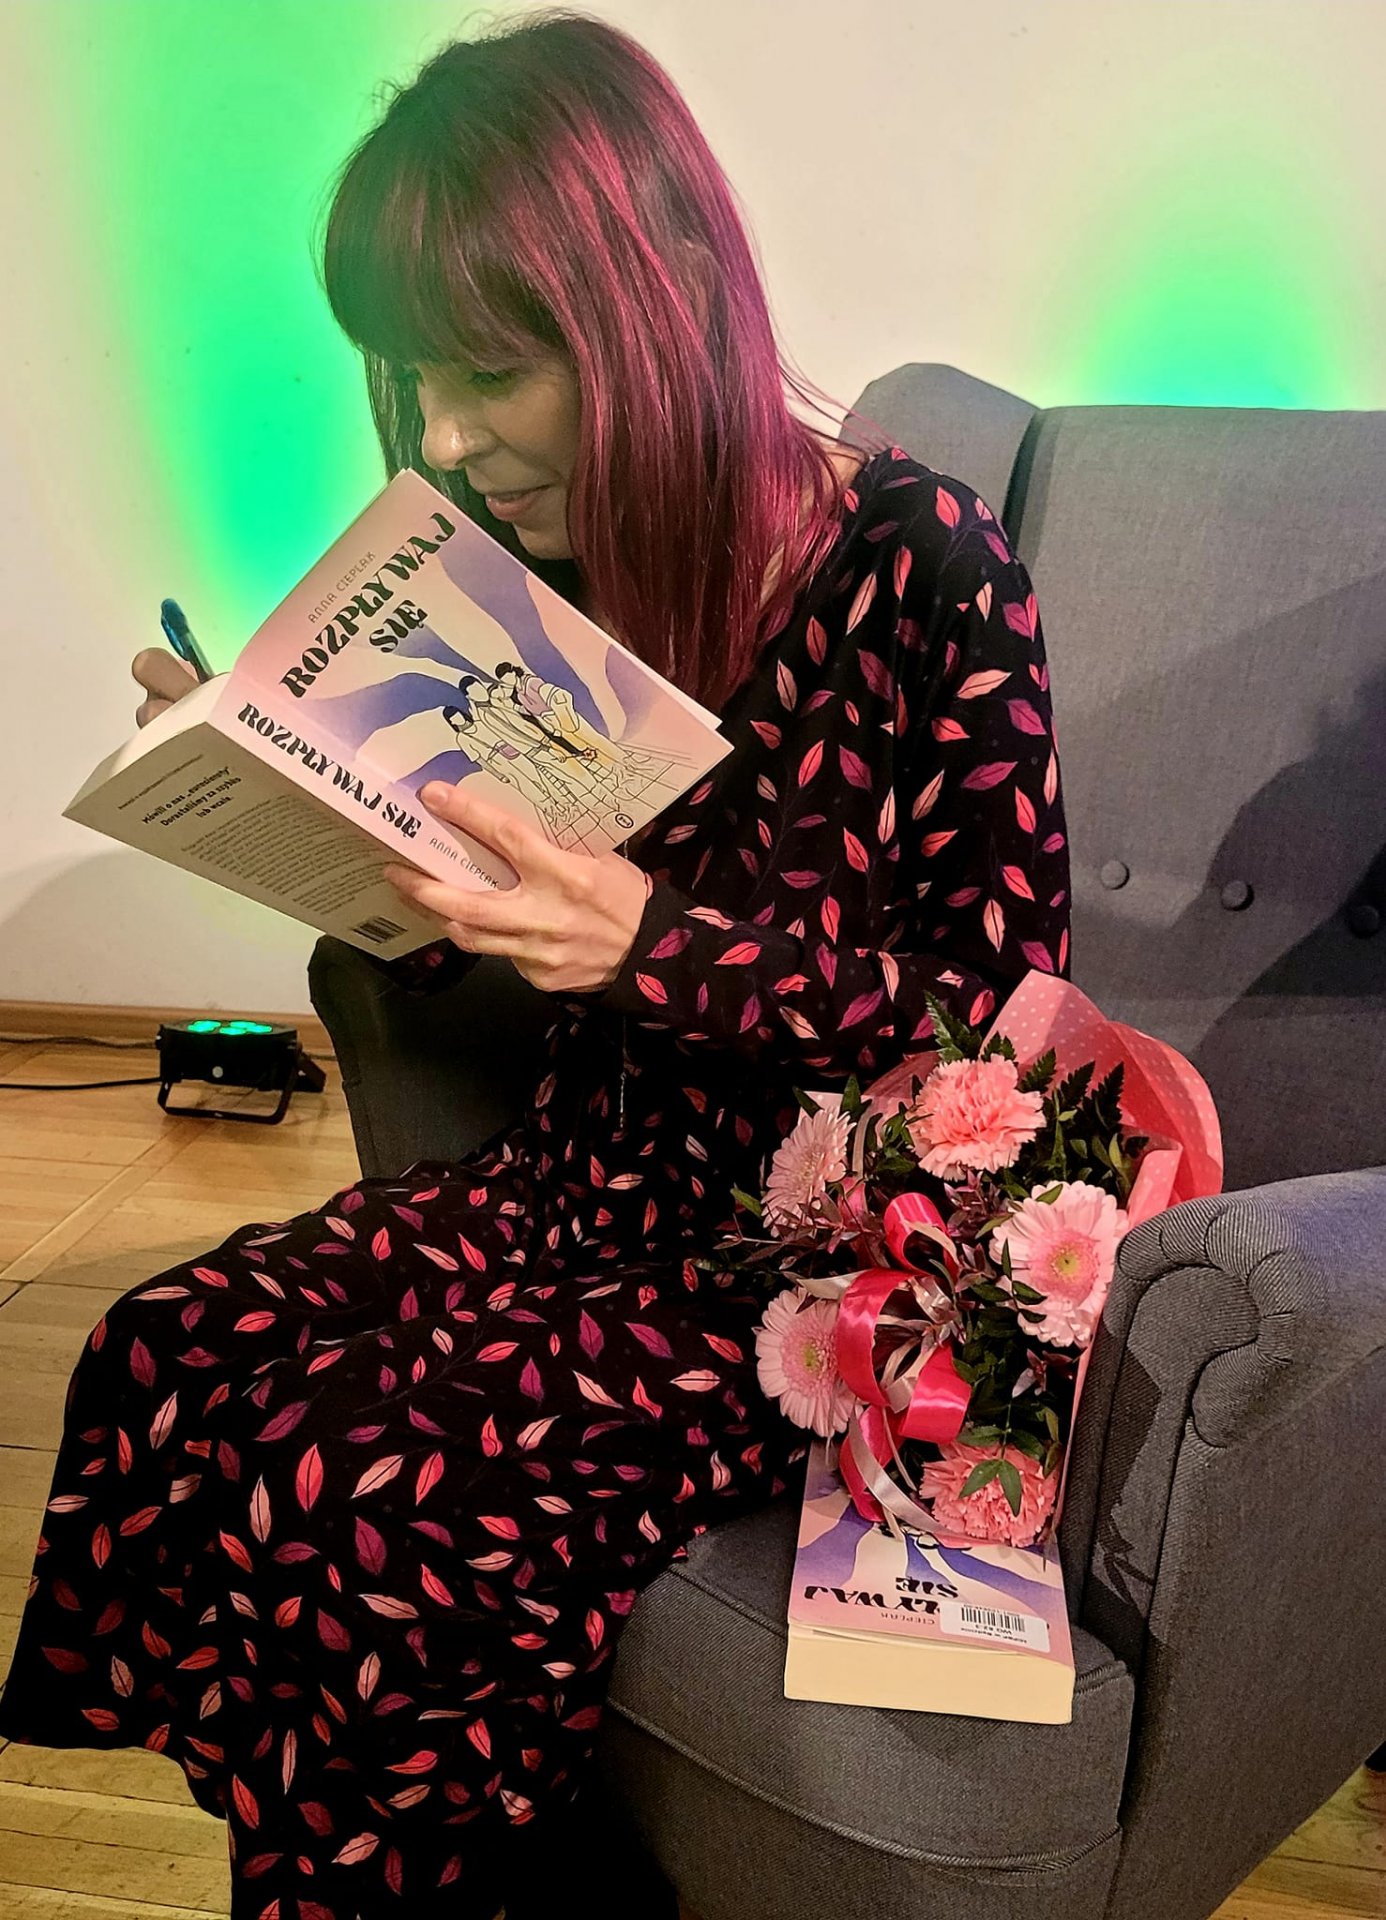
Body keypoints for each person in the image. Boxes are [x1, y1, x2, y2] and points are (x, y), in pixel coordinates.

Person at [0, 12, 1071, 1920]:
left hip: (793, 1261)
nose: (442, 436)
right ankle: (375, 1847)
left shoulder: (926, 564)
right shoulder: (540, 585)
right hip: (576, 1181)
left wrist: (657, 948)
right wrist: (345, 848)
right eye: (411, 376)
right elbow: (492, 960)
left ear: (650, 312)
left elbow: (1002, 1038)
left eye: (487, 369)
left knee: (362, 1485)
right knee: (163, 1351)